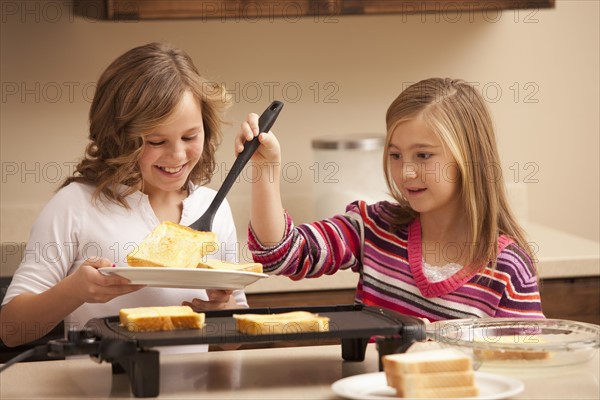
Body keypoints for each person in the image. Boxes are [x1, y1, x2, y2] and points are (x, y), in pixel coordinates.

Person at [0, 42, 247, 348]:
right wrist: (75, 291)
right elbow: (11, 330)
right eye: (156, 141)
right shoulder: (75, 205)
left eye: (190, 136)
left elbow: (233, 337)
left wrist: (223, 315)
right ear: (118, 138)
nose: (178, 154)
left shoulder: (213, 208)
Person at [238, 78, 544, 322]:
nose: (406, 172)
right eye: (396, 155)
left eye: (423, 155)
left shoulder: (507, 269)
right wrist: (266, 168)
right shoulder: (373, 228)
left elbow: (523, 364)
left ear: (470, 158)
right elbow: (281, 254)